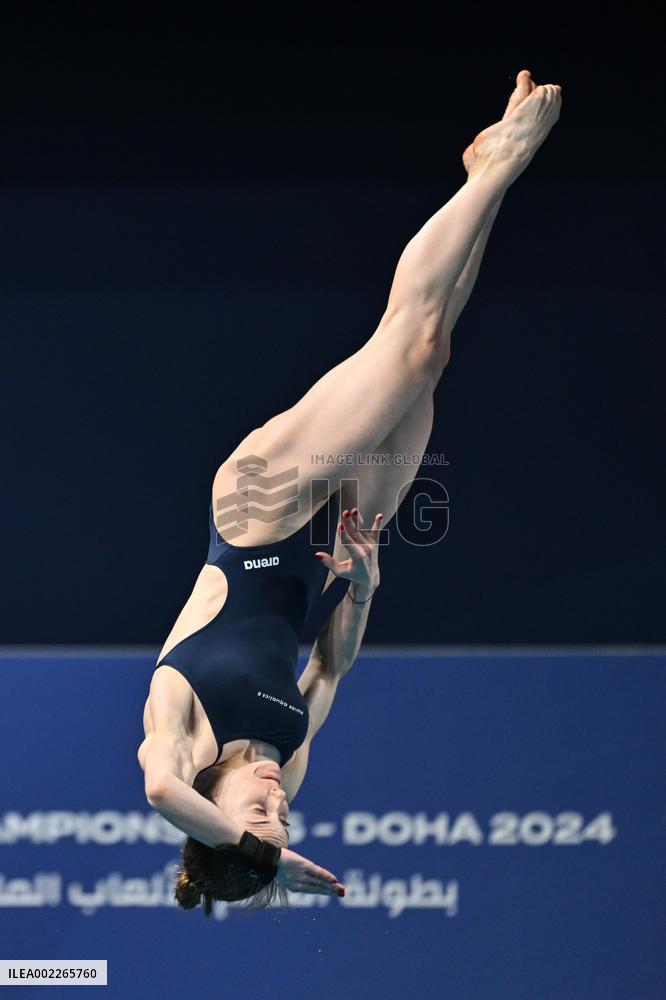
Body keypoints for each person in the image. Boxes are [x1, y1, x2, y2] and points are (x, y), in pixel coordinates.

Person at [137, 69, 562, 915]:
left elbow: (158, 795)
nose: (277, 803)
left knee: (400, 351)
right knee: (431, 355)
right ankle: (489, 174)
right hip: (336, 547)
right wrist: (363, 591)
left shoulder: (177, 739)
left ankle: (494, 168)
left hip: (254, 512)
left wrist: (256, 855)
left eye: (261, 814)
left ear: (217, 818)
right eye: (286, 819)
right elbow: (329, 666)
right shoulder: (285, 757)